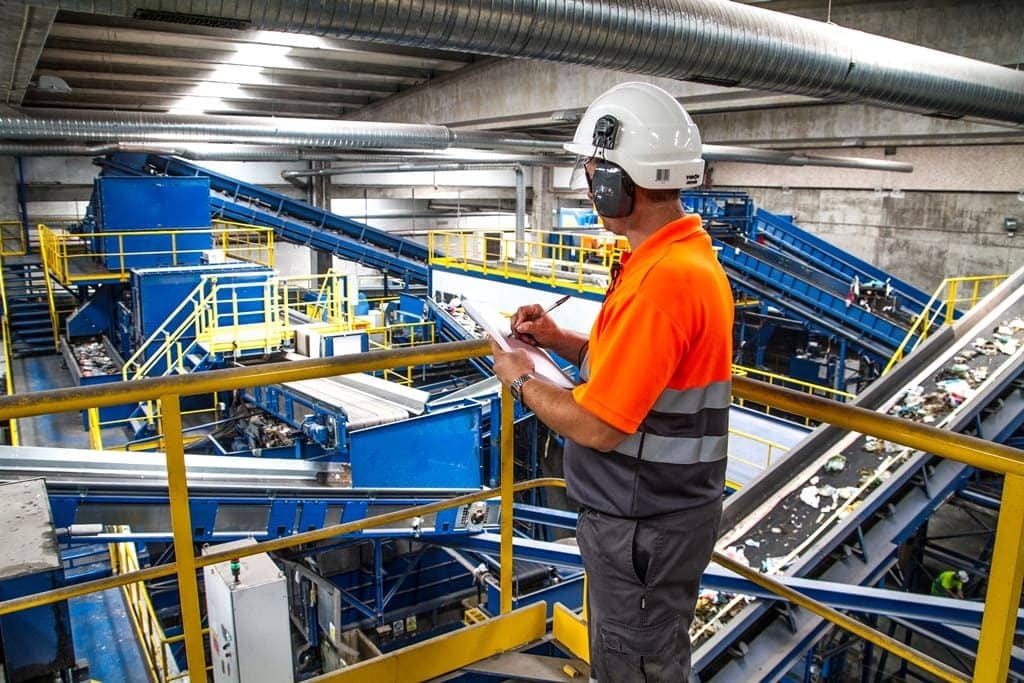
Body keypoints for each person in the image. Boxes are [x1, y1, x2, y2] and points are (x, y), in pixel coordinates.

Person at [489, 81, 733, 682]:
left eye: (594, 171)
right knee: (637, 654)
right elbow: (640, 370)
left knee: (639, 666)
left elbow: (598, 424)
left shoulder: (664, 281)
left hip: (644, 526)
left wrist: (521, 378)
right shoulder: (672, 260)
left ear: (622, 181)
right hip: (651, 517)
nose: (589, 184)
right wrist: (560, 341)